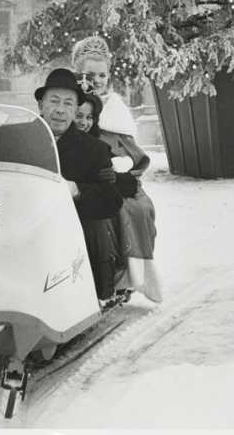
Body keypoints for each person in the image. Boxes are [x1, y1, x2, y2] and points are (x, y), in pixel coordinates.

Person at [0, 68, 123, 302]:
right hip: (12, 232)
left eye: (69, 104)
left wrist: (76, 190)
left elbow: (111, 201)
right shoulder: (11, 135)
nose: (60, 109)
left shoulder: (94, 149)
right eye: (54, 101)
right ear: (40, 105)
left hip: (65, 242)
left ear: (76, 109)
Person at [72, 36, 163, 303]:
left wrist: (126, 172)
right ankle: (107, 278)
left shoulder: (114, 110)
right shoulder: (73, 104)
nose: (97, 80)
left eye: (102, 75)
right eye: (89, 74)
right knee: (108, 212)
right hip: (85, 181)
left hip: (115, 178)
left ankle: (127, 278)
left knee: (137, 208)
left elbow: (130, 152)